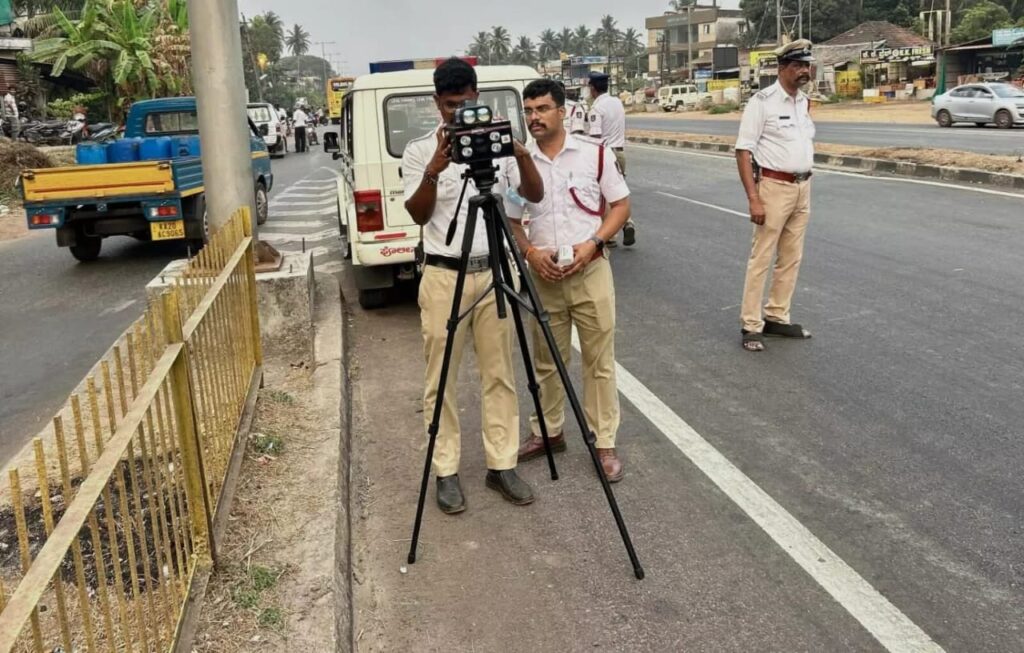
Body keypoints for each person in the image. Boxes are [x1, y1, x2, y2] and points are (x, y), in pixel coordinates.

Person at [402, 57, 544, 513]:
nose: (459, 112)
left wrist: (520, 153)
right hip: (444, 275)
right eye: (450, 105)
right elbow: (418, 214)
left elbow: (534, 194)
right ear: (437, 103)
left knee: (499, 374)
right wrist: (435, 168)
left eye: (466, 103)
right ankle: (445, 471)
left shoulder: (496, 144)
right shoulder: (419, 151)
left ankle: (502, 464)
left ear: (477, 97)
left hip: (494, 270)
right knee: (440, 378)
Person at [508, 79, 631, 482]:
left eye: (542, 109)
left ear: (563, 111)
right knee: (547, 360)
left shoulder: (594, 155)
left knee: (599, 361)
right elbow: (512, 222)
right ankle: (549, 431)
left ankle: (604, 442)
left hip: (590, 270)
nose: (535, 117)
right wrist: (530, 253)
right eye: (529, 110)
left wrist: (594, 242)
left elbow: (621, 206)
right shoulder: (516, 163)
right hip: (544, 275)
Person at [734, 39, 817, 353]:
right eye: (797, 66)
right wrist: (753, 198)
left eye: (806, 65)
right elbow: (743, 151)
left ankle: (777, 316)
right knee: (762, 258)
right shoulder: (763, 102)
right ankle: (751, 325)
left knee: (791, 257)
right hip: (773, 188)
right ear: (782, 68)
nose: (803, 71)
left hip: (802, 187)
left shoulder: (803, 102)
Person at [587, 71, 635, 248]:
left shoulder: (596, 108)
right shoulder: (617, 102)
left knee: (603, 195)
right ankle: (627, 222)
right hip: (620, 153)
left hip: (604, 154)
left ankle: (610, 236)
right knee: (618, 193)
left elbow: (595, 137)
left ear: (592, 89)